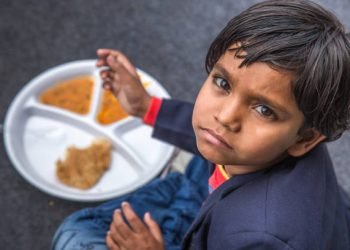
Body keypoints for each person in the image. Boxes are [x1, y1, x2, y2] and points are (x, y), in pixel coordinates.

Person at [52, 0, 350, 249]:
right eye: (223, 82)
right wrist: (146, 107)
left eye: (264, 110)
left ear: (306, 139)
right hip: (226, 199)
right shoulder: (267, 146)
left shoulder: (261, 238)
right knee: (207, 148)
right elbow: (215, 128)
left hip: (231, 228)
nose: (225, 116)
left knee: (75, 233)